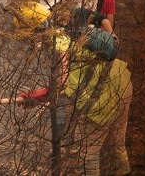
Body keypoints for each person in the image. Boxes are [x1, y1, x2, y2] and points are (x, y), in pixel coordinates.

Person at [17, 11, 132, 176]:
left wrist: (34, 97)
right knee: (117, 144)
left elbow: (62, 84)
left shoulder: (58, 44)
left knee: (88, 154)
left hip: (102, 93)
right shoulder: (68, 32)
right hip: (122, 80)